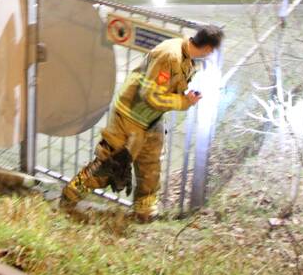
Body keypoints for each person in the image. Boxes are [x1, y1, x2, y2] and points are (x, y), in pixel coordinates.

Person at [60, 25, 224, 222]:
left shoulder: (186, 58)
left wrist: (184, 96)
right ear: (208, 48)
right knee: (108, 167)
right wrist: (184, 102)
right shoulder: (169, 56)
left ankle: (144, 213)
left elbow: (166, 89)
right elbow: (150, 95)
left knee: (150, 168)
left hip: (151, 119)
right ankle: (68, 198)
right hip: (129, 117)